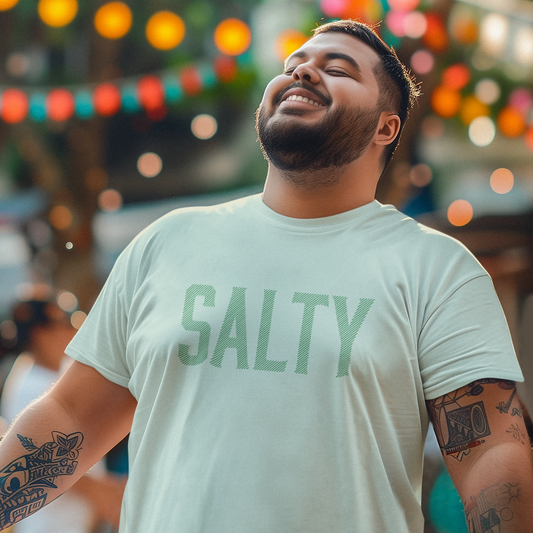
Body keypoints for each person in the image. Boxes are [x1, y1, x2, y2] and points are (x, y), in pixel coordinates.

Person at [0, 19, 531, 533]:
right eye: (293, 64)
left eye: (338, 68)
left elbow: (490, 448)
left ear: (385, 127)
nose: (302, 72)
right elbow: (71, 416)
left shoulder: (437, 269)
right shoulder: (166, 243)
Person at [0, 292, 125, 532]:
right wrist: (103, 494)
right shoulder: (30, 385)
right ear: (41, 333)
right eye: (65, 321)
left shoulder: (64, 369)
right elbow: (40, 457)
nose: (75, 327)